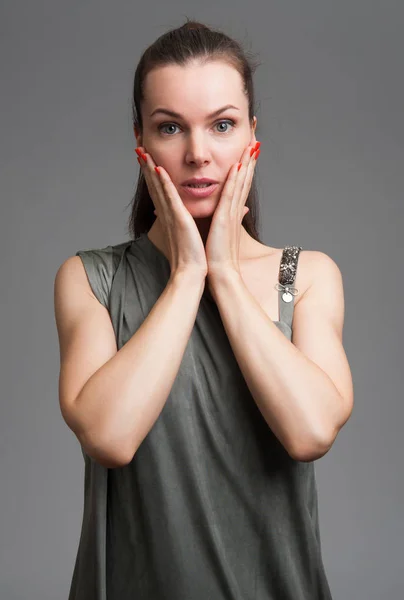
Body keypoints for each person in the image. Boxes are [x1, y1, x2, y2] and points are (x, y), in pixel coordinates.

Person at [54, 18, 354, 600]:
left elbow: (310, 431)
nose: (198, 154)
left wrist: (225, 276)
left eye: (222, 125)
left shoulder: (307, 276)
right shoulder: (91, 279)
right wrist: (189, 276)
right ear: (140, 139)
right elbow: (109, 438)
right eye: (171, 127)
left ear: (252, 138)